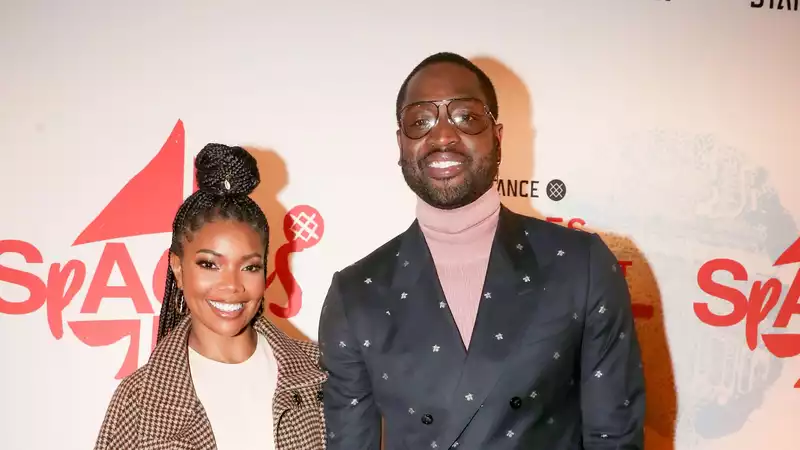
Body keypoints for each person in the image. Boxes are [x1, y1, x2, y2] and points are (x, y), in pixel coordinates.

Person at [319, 52, 645, 449]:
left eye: (466, 117)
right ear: (401, 144)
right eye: (420, 121)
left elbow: (615, 438)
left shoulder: (581, 265)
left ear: (498, 136)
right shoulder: (355, 294)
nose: (442, 137)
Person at [93, 144, 327, 450]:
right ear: (177, 268)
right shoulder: (138, 401)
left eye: (249, 266)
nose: (231, 285)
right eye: (209, 264)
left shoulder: (324, 376)